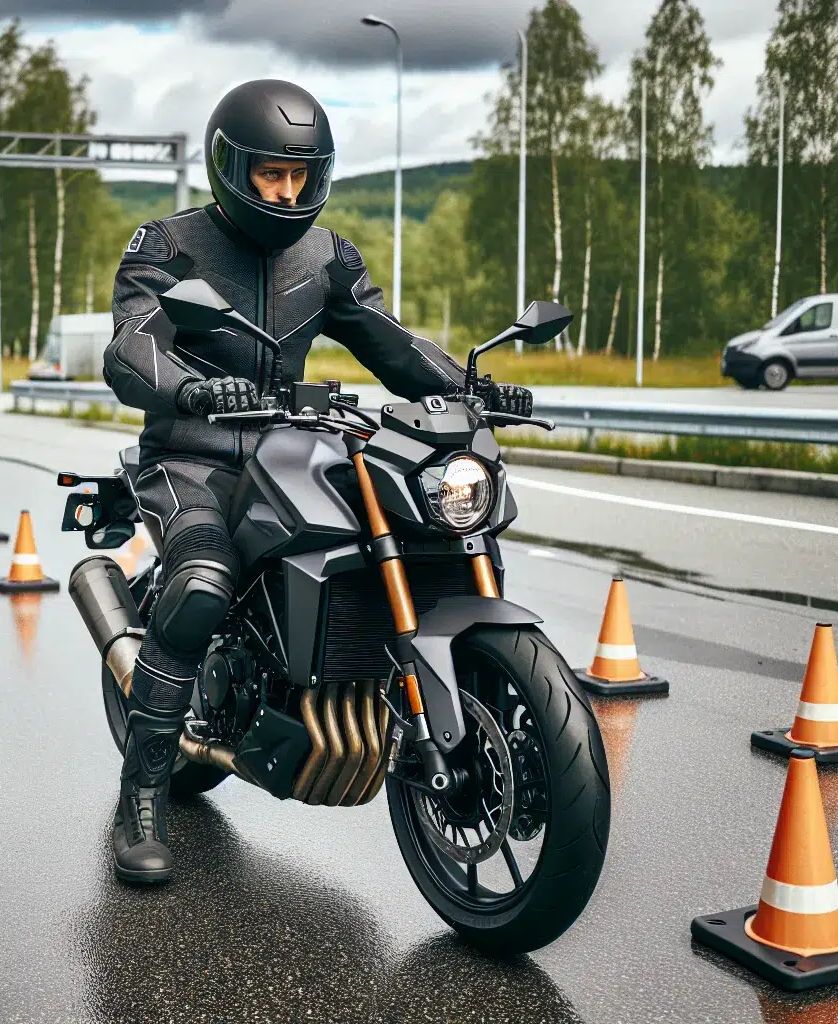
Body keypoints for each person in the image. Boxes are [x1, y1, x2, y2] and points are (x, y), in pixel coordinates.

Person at [101, 79, 533, 884]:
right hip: (190, 452)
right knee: (199, 583)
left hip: (285, 446)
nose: (286, 191)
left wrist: (470, 388)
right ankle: (143, 797)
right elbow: (130, 346)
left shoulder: (327, 256)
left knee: (397, 529)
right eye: (271, 175)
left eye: (300, 176)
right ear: (231, 166)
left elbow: (392, 342)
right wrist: (190, 389)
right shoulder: (168, 244)